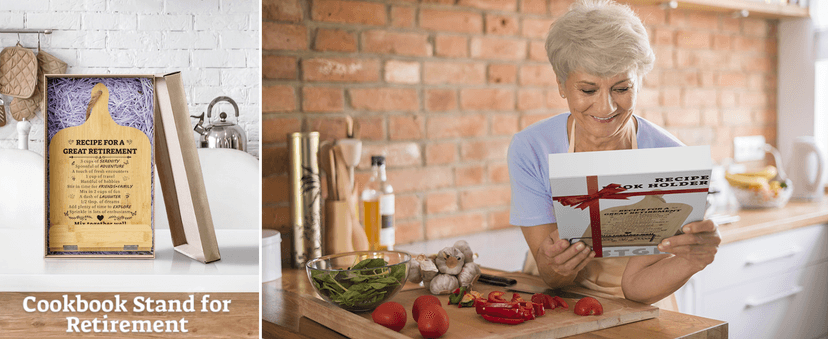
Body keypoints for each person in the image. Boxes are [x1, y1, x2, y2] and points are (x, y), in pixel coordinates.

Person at [507, 0, 721, 307]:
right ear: (561, 85)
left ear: (639, 82)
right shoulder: (531, 149)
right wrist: (555, 265)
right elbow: (551, 275)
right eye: (588, 90)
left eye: (621, 88)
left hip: (637, 306)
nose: (606, 108)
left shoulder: (669, 157)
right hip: (555, 298)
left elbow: (635, 287)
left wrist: (694, 259)